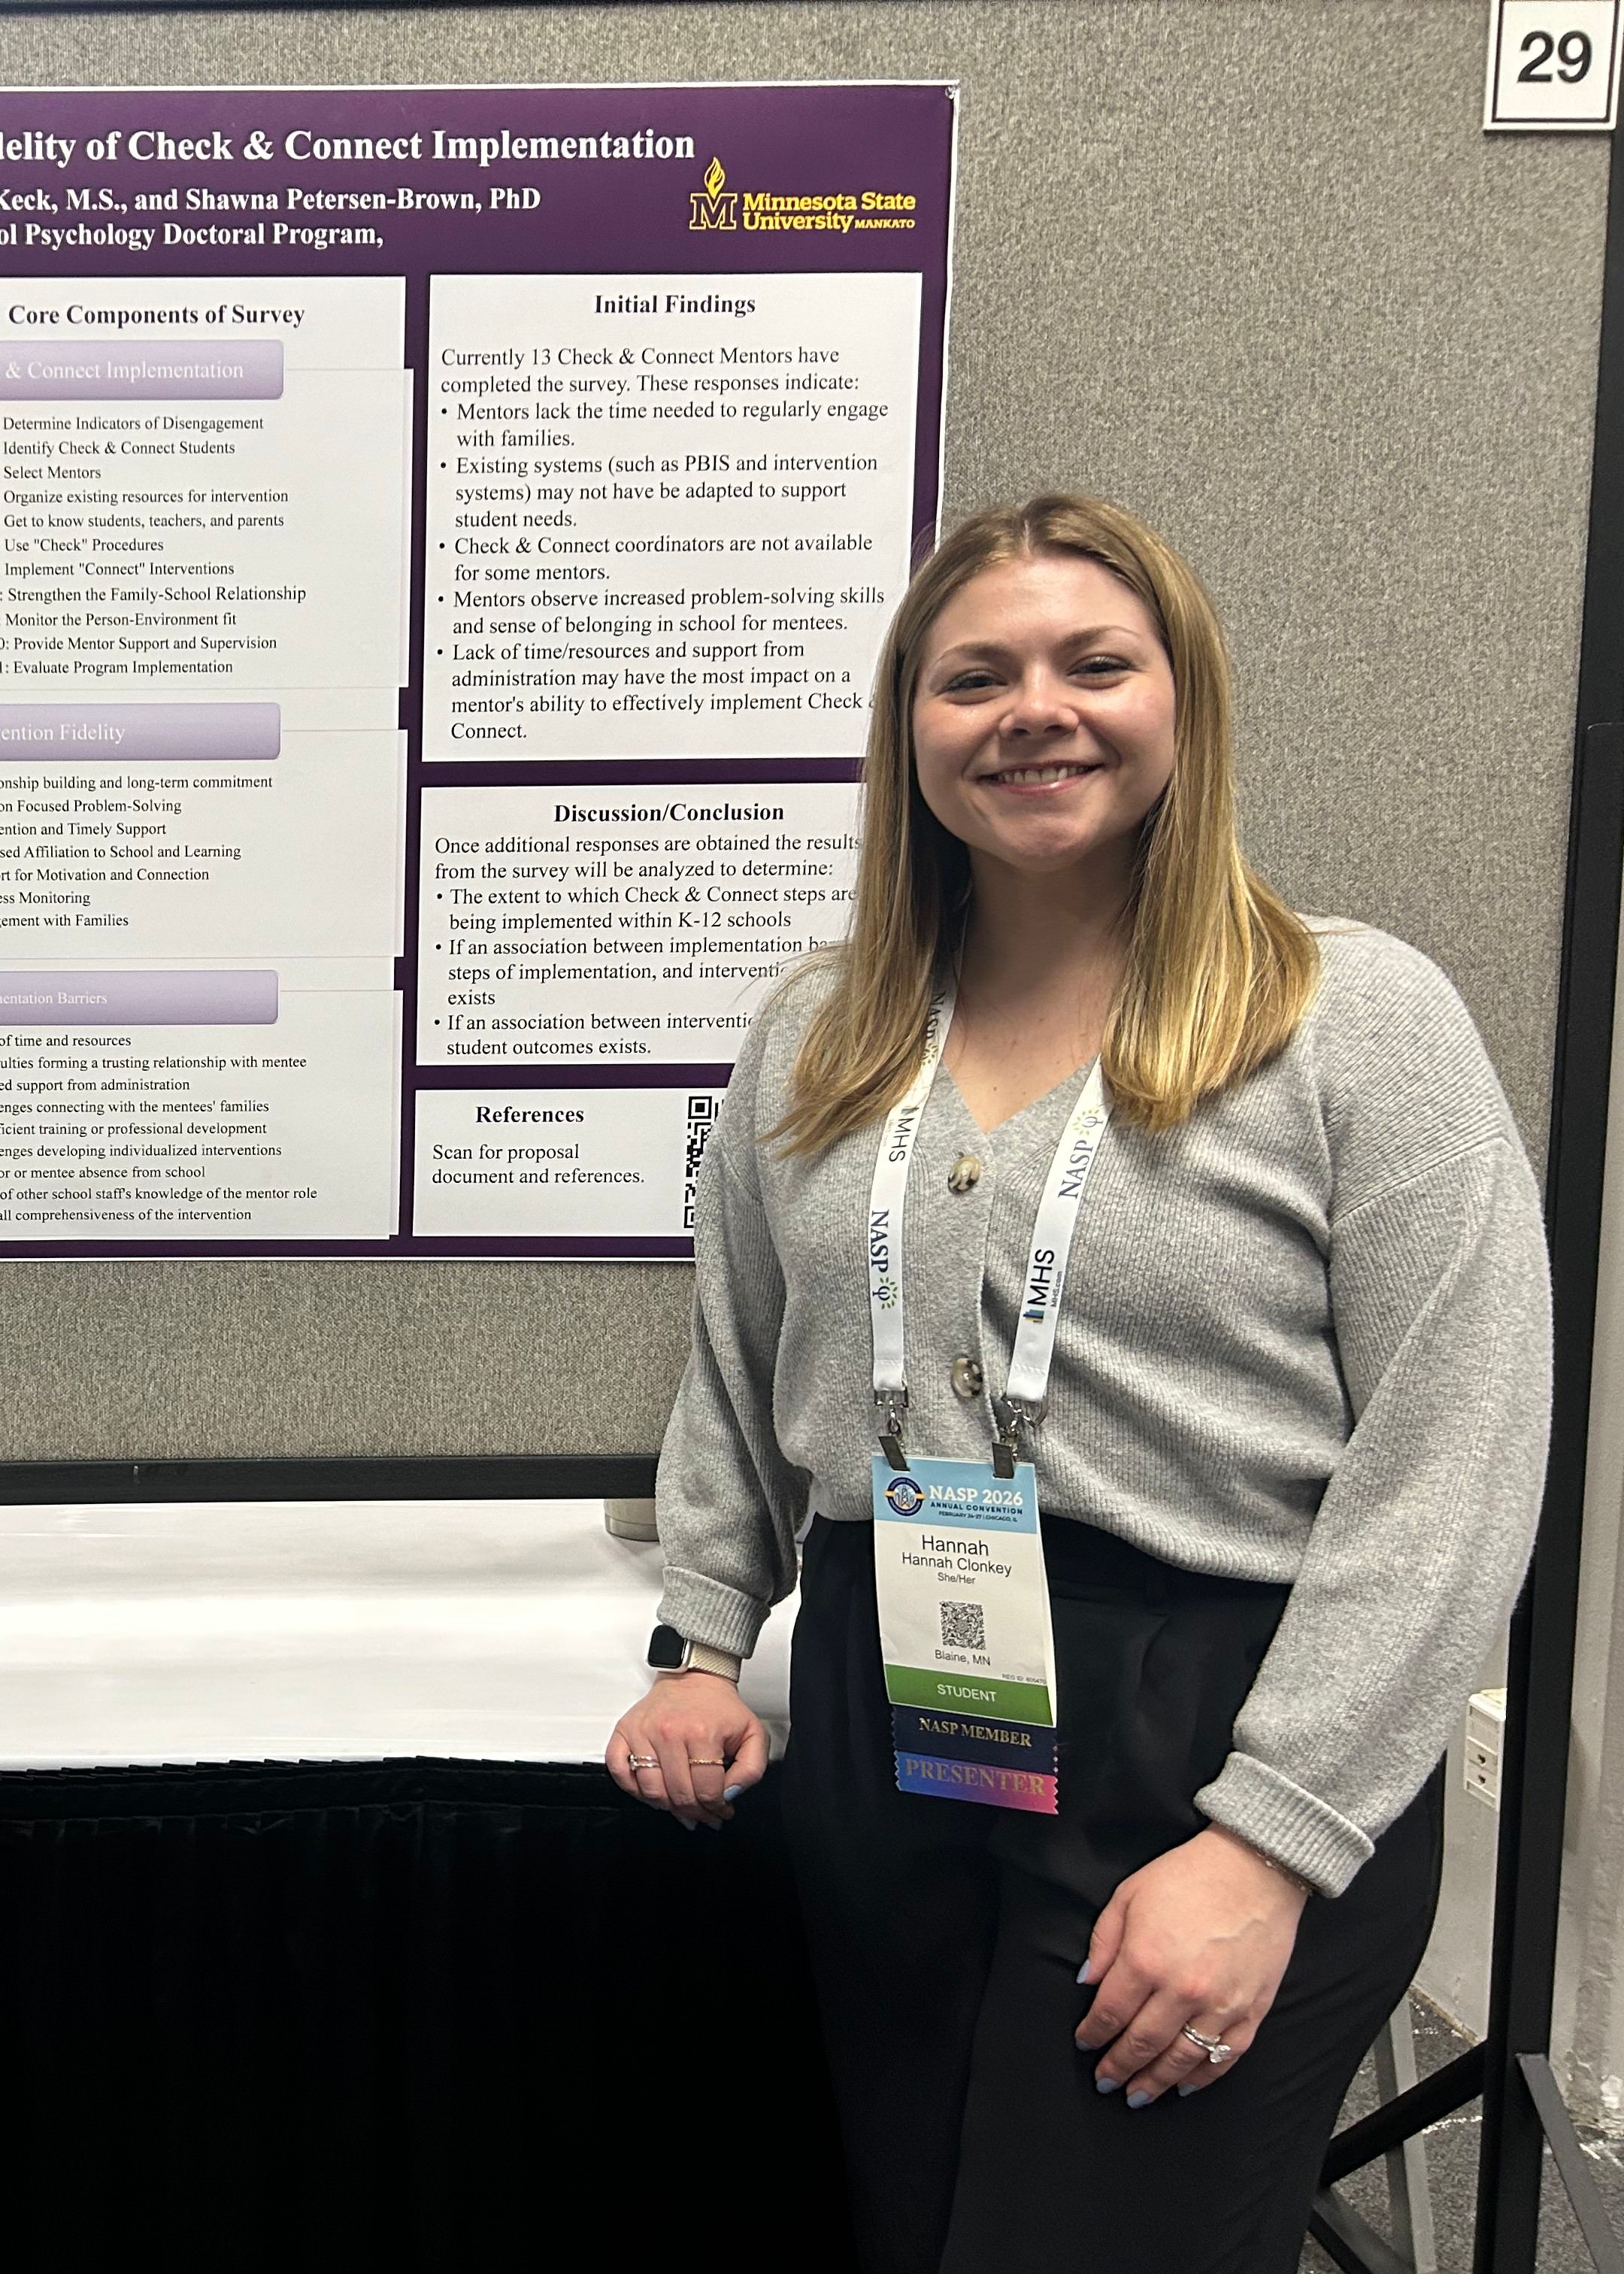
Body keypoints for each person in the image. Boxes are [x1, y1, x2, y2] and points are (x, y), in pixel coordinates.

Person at [607, 495, 1547, 2273]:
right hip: (899, 1712)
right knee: (916, 2222)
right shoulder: (819, 1031)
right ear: (912, 732)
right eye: (976, 676)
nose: (1034, 709)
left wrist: (1268, 1846)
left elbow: (1460, 1454)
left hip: (1218, 1724)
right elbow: (737, 1359)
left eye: (1093, 663)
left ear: (1181, 700)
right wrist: (706, 1645)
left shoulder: (1352, 1017)